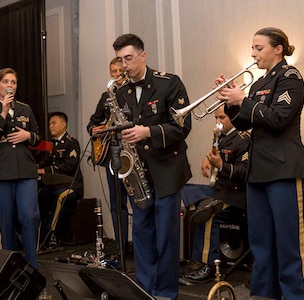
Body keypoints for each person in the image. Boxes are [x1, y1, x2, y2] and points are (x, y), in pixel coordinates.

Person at [216, 27, 304, 299]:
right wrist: (231, 101)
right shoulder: (257, 84)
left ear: (278, 48)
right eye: (253, 48)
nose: (253, 53)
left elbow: (278, 118)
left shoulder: (290, 77)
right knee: (261, 246)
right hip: (258, 174)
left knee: (290, 247)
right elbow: (244, 122)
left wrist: (242, 100)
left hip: (284, 169)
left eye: (259, 47)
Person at [112, 33, 192, 300]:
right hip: (138, 173)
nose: (124, 65)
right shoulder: (120, 91)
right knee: (142, 234)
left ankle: (166, 293)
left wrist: (147, 132)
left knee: (167, 237)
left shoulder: (169, 83)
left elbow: (183, 126)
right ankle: (145, 290)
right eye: (120, 60)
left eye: (129, 58)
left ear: (143, 56)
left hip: (167, 170)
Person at [0, 67, 41, 269]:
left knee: (29, 216)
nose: (10, 86)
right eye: (5, 82)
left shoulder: (26, 109)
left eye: (13, 82)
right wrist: (3, 112)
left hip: (25, 170)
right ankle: (9, 268)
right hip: (0, 172)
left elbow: (38, 138)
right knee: (5, 223)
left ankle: (33, 266)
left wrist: (28, 136)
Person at [182, 104, 250, 282]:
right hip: (220, 191)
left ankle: (208, 266)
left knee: (208, 214)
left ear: (233, 118)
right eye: (216, 118)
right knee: (186, 193)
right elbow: (216, 152)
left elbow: (245, 172)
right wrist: (207, 158)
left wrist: (221, 166)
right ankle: (196, 259)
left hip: (236, 196)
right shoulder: (222, 137)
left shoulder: (243, 139)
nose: (218, 122)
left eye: (222, 118)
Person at [87, 57, 131, 255]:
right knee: (116, 203)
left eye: (119, 71)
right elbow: (93, 121)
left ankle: (140, 246)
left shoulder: (134, 92)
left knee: (138, 203)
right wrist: (94, 129)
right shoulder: (106, 95)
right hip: (112, 154)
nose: (116, 75)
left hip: (132, 152)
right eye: (113, 71)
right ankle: (121, 247)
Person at [37, 112, 83, 249]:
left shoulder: (72, 142)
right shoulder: (53, 144)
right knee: (41, 194)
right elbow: (47, 161)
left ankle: (52, 234)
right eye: (50, 123)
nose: (50, 126)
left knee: (60, 197)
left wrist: (46, 170)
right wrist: (35, 167)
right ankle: (41, 231)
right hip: (55, 184)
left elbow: (70, 165)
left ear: (63, 124)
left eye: (54, 123)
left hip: (73, 185)